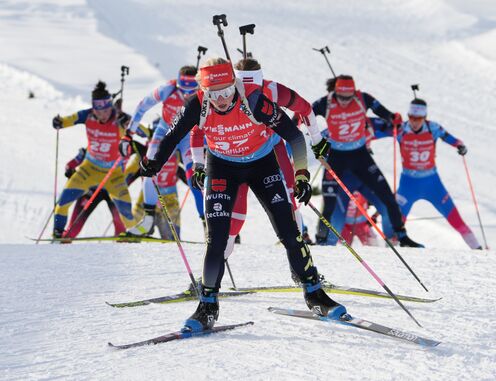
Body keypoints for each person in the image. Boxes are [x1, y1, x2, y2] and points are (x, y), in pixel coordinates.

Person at [139, 58, 346, 332]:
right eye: (214, 95)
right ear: (204, 92)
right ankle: (207, 306)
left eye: (226, 92)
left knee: (289, 232)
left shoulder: (255, 101)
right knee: (217, 239)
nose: (222, 100)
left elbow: (295, 137)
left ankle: (315, 295)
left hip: (262, 165)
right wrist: (154, 162)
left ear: (235, 85)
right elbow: (172, 135)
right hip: (222, 168)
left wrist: (301, 176)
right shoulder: (196, 104)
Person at [220, 57, 330, 258]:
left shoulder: (272, 89)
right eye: (244, 89)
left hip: (271, 152)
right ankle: (211, 277)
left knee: (289, 205)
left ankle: (304, 270)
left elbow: (305, 108)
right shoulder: (225, 93)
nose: (250, 95)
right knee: (235, 217)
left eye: (255, 90)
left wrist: (317, 140)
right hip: (238, 158)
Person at [312, 75, 422, 247]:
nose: (344, 102)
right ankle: (321, 241)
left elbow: (387, 117)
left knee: (387, 199)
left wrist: (393, 118)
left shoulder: (364, 103)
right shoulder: (325, 103)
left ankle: (401, 237)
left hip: (360, 159)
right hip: (338, 161)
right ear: (334, 93)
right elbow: (305, 114)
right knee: (330, 206)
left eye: (348, 98)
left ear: (354, 93)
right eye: (341, 97)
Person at [122, 66, 205, 236]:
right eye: (183, 90)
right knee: (149, 167)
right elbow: (142, 105)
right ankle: (148, 219)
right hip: (165, 131)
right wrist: (129, 134)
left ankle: (207, 224)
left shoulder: (203, 92)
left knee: (195, 177)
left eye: (192, 91)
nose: (186, 95)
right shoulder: (168, 89)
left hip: (188, 136)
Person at [51, 81, 139, 238]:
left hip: (113, 174)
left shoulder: (120, 119)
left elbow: (144, 132)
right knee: (62, 204)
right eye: (99, 111)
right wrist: (58, 122)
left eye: (106, 110)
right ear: (94, 109)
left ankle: (133, 238)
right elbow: (65, 121)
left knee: (126, 212)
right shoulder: (87, 115)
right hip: (89, 169)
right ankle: (57, 235)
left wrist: (130, 123)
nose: (103, 114)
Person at [394, 98, 482, 249]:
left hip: (432, 184)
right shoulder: (400, 129)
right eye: (411, 118)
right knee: (396, 222)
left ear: (424, 117)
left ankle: (478, 249)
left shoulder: (433, 128)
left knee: (455, 219)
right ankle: (387, 252)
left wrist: (460, 145)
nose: (414, 122)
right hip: (408, 184)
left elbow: (450, 138)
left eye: (419, 118)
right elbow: (375, 132)